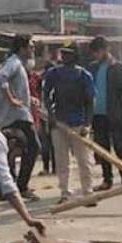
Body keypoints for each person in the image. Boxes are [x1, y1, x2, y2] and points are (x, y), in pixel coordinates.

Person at [43, 47, 95, 204]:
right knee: (61, 160)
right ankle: (64, 192)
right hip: (59, 122)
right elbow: (46, 94)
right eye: (62, 54)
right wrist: (51, 116)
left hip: (79, 122)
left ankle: (88, 192)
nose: (64, 57)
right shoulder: (54, 73)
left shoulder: (84, 75)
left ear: (75, 56)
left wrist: (87, 124)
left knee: (83, 160)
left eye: (68, 54)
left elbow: (90, 101)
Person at [0, 34, 40, 200]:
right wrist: (11, 99)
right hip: (16, 116)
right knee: (34, 147)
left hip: (15, 114)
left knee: (7, 151)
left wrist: (29, 100)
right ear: (22, 48)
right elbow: (0, 77)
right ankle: (21, 186)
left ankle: (2, 191)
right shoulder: (13, 63)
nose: (33, 50)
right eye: (31, 47)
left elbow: (16, 87)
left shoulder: (19, 65)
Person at [87, 36, 122, 190]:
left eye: (98, 52)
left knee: (120, 147)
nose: (96, 55)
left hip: (115, 114)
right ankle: (107, 180)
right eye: (94, 53)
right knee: (103, 149)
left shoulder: (119, 68)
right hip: (98, 115)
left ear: (106, 50)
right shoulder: (92, 68)